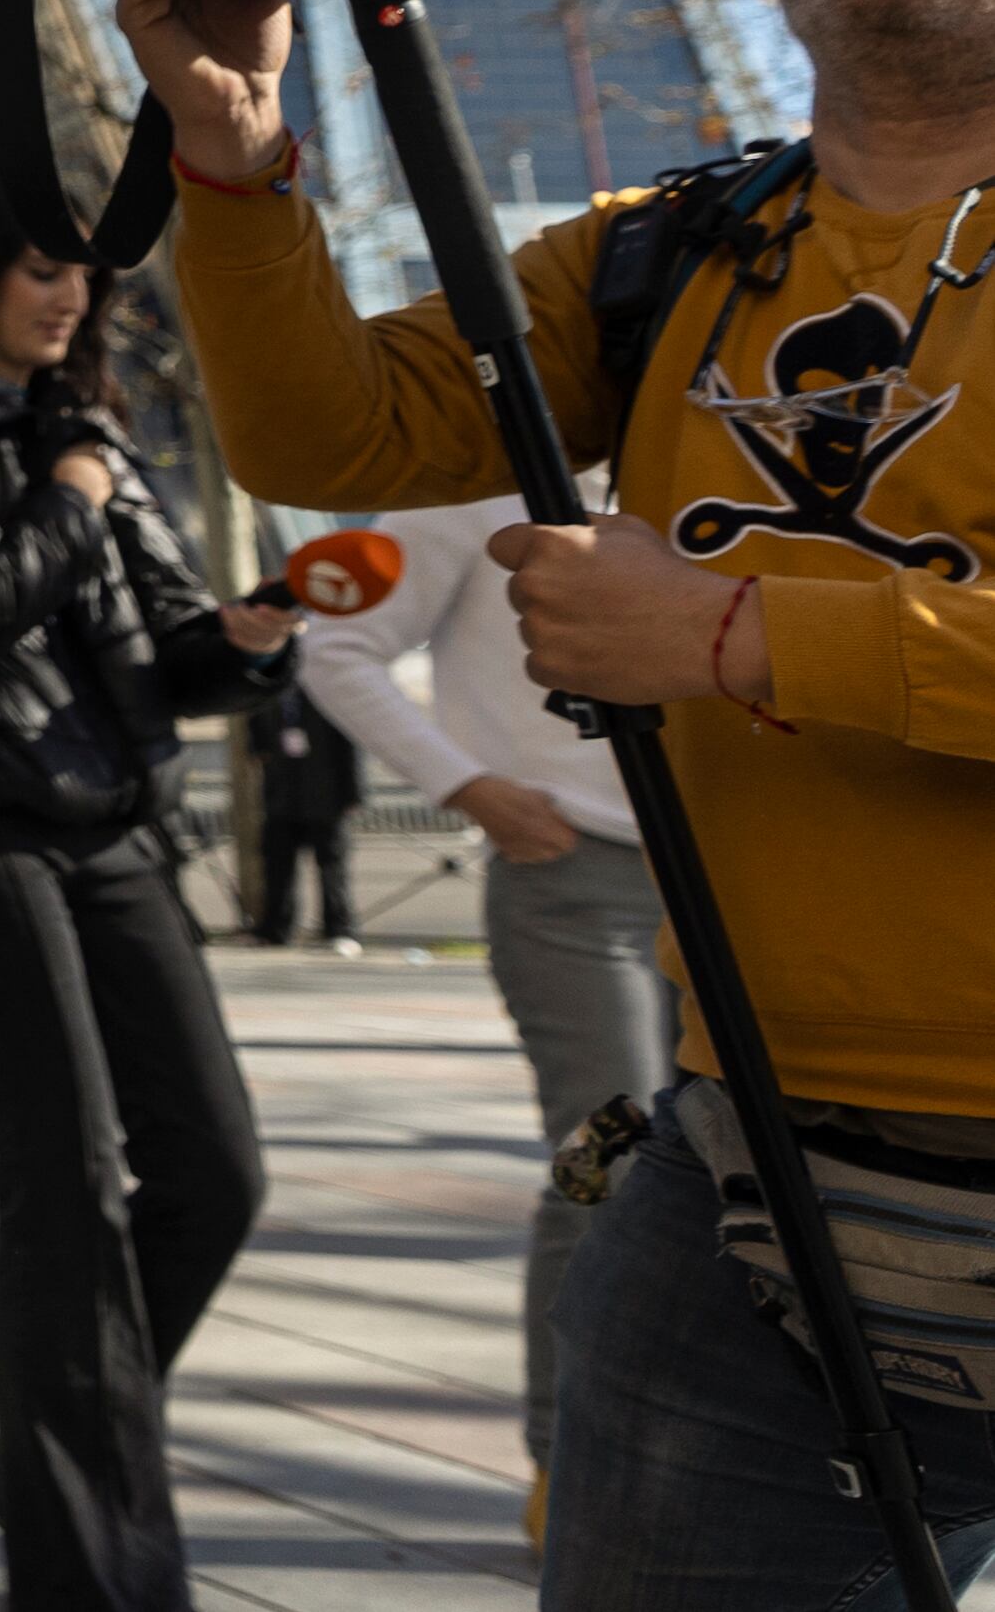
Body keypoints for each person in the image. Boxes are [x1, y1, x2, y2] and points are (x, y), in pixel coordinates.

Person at [121, 0, 995, 1609]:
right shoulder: (671, 252)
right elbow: (329, 436)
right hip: (748, 1174)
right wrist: (232, 148)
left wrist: (733, 632)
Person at [0, 162, 299, 1612]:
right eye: (41, 267)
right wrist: (78, 490)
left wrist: (252, 636)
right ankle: (97, 1577)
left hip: (107, 825)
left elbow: (162, 648)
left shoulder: (85, 427)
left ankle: (49, 1446)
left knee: (215, 1169)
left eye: (86, 273)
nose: (70, 295)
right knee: (70, 1174)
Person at [289, 484, 663, 1528]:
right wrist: (469, 786)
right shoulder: (474, 478)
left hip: (738, 873)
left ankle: (706, 1475)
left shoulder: (712, 436)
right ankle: (569, 1472)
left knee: (744, 1174)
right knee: (610, 1160)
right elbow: (333, 648)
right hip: (576, 879)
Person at [242, 678, 360, 948]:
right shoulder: (269, 690)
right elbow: (257, 734)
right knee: (277, 865)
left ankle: (339, 930)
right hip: (283, 795)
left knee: (331, 866)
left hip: (326, 796)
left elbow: (349, 745)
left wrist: (353, 794)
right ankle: (275, 929)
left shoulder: (329, 690)